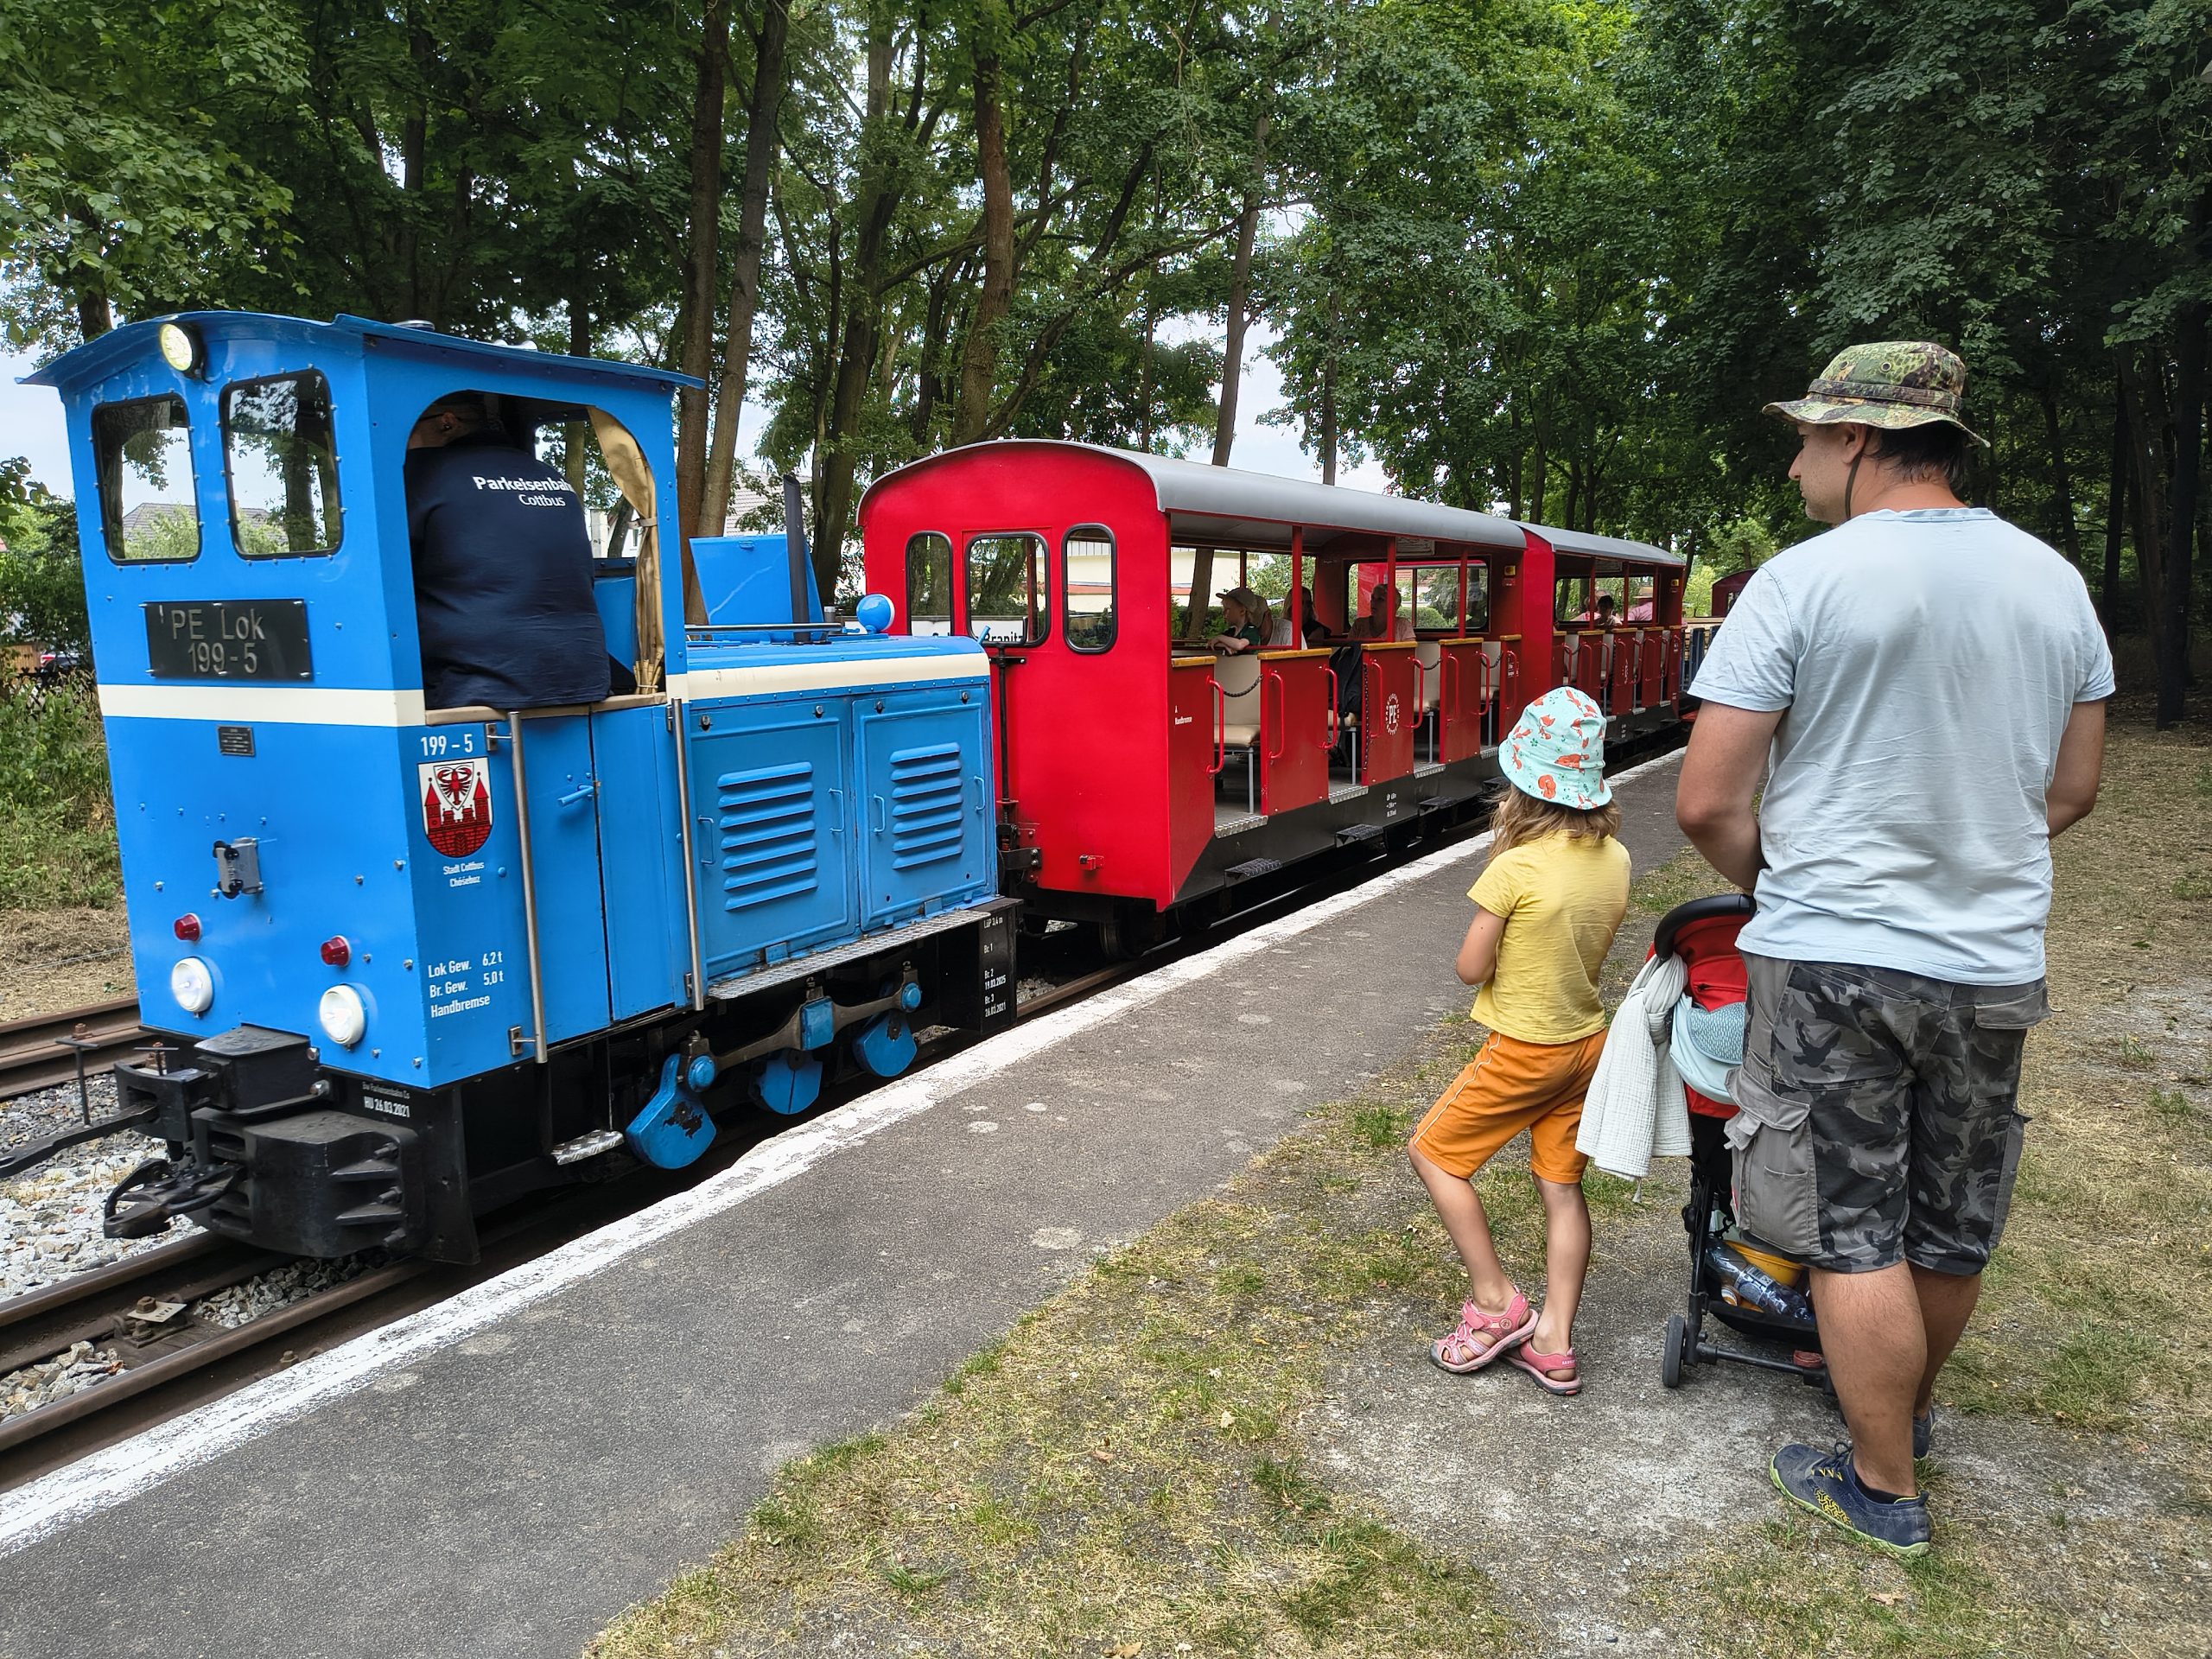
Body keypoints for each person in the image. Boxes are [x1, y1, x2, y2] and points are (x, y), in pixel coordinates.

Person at [1675, 341, 2112, 1559]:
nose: (1797, 463)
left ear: (1858, 438)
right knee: (1949, 1220)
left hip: (1831, 958)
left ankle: (1881, 1484)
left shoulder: (1801, 582)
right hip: (1991, 961)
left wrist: (1789, 886)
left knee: (1850, 1224)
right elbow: (2071, 789)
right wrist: (1968, 854)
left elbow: (1707, 800)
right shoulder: (2055, 583)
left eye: (1807, 439)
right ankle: (1899, 1416)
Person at [1408, 686, 1629, 1395]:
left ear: (1522, 787)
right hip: (1587, 1044)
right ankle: (1555, 1342)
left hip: (1526, 1050)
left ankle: (1497, 1302)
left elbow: (1470, 967)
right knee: (1561, 1187)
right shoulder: (1616, 858)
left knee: (1434, 1154)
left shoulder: (1516, 867)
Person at [405, 392, 613, 711]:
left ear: (447, 422)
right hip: (583, 675)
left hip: (475, 684)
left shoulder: (422, 473)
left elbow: (383, 570)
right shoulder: (549, 475)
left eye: (409, 429)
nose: (405, 443)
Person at [1206, 587, 1271, 655]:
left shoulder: (1251, 630)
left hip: (1249, 662)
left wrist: (1220, 637)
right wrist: (1225, 645)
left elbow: (1240, 645)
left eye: (1228, 609)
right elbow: (1211, 643)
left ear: (1242, 611)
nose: (1223, 612)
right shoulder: (1231, 632)